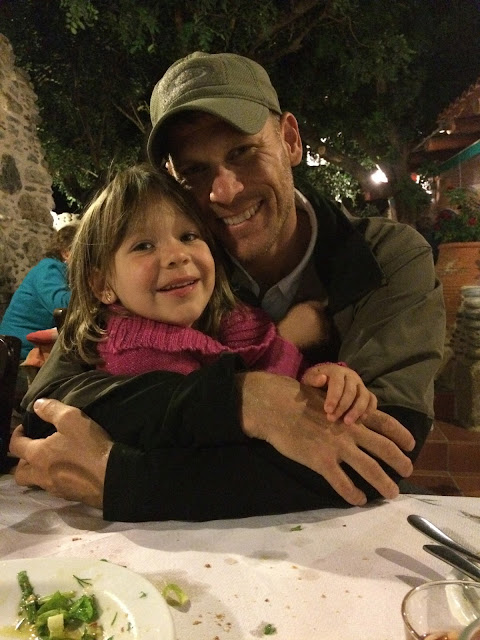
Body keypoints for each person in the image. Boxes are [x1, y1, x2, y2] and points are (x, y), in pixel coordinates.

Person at [10, 52, 446, 523]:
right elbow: (49, 407)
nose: (225, 191)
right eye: (195, 172)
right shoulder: (175, 276)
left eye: (243, 152)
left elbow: (381, 454)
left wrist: (126, 478)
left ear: (290, 140)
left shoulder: (386, 257)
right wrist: (242, 399)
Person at [60, 163, 376, 433]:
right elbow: (237, 428)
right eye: (143, 246)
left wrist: (325, 380)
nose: (177, 255)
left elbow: (283, 379)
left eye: (188, 236)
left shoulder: (232, 321)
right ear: (101, 285)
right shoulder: (138, 357)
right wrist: (291, 348)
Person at [0, 224, 77, 361]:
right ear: (66, 253)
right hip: (17, 353)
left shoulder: (63, 273)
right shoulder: (48, 268)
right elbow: (63, 304)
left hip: (30, 347)